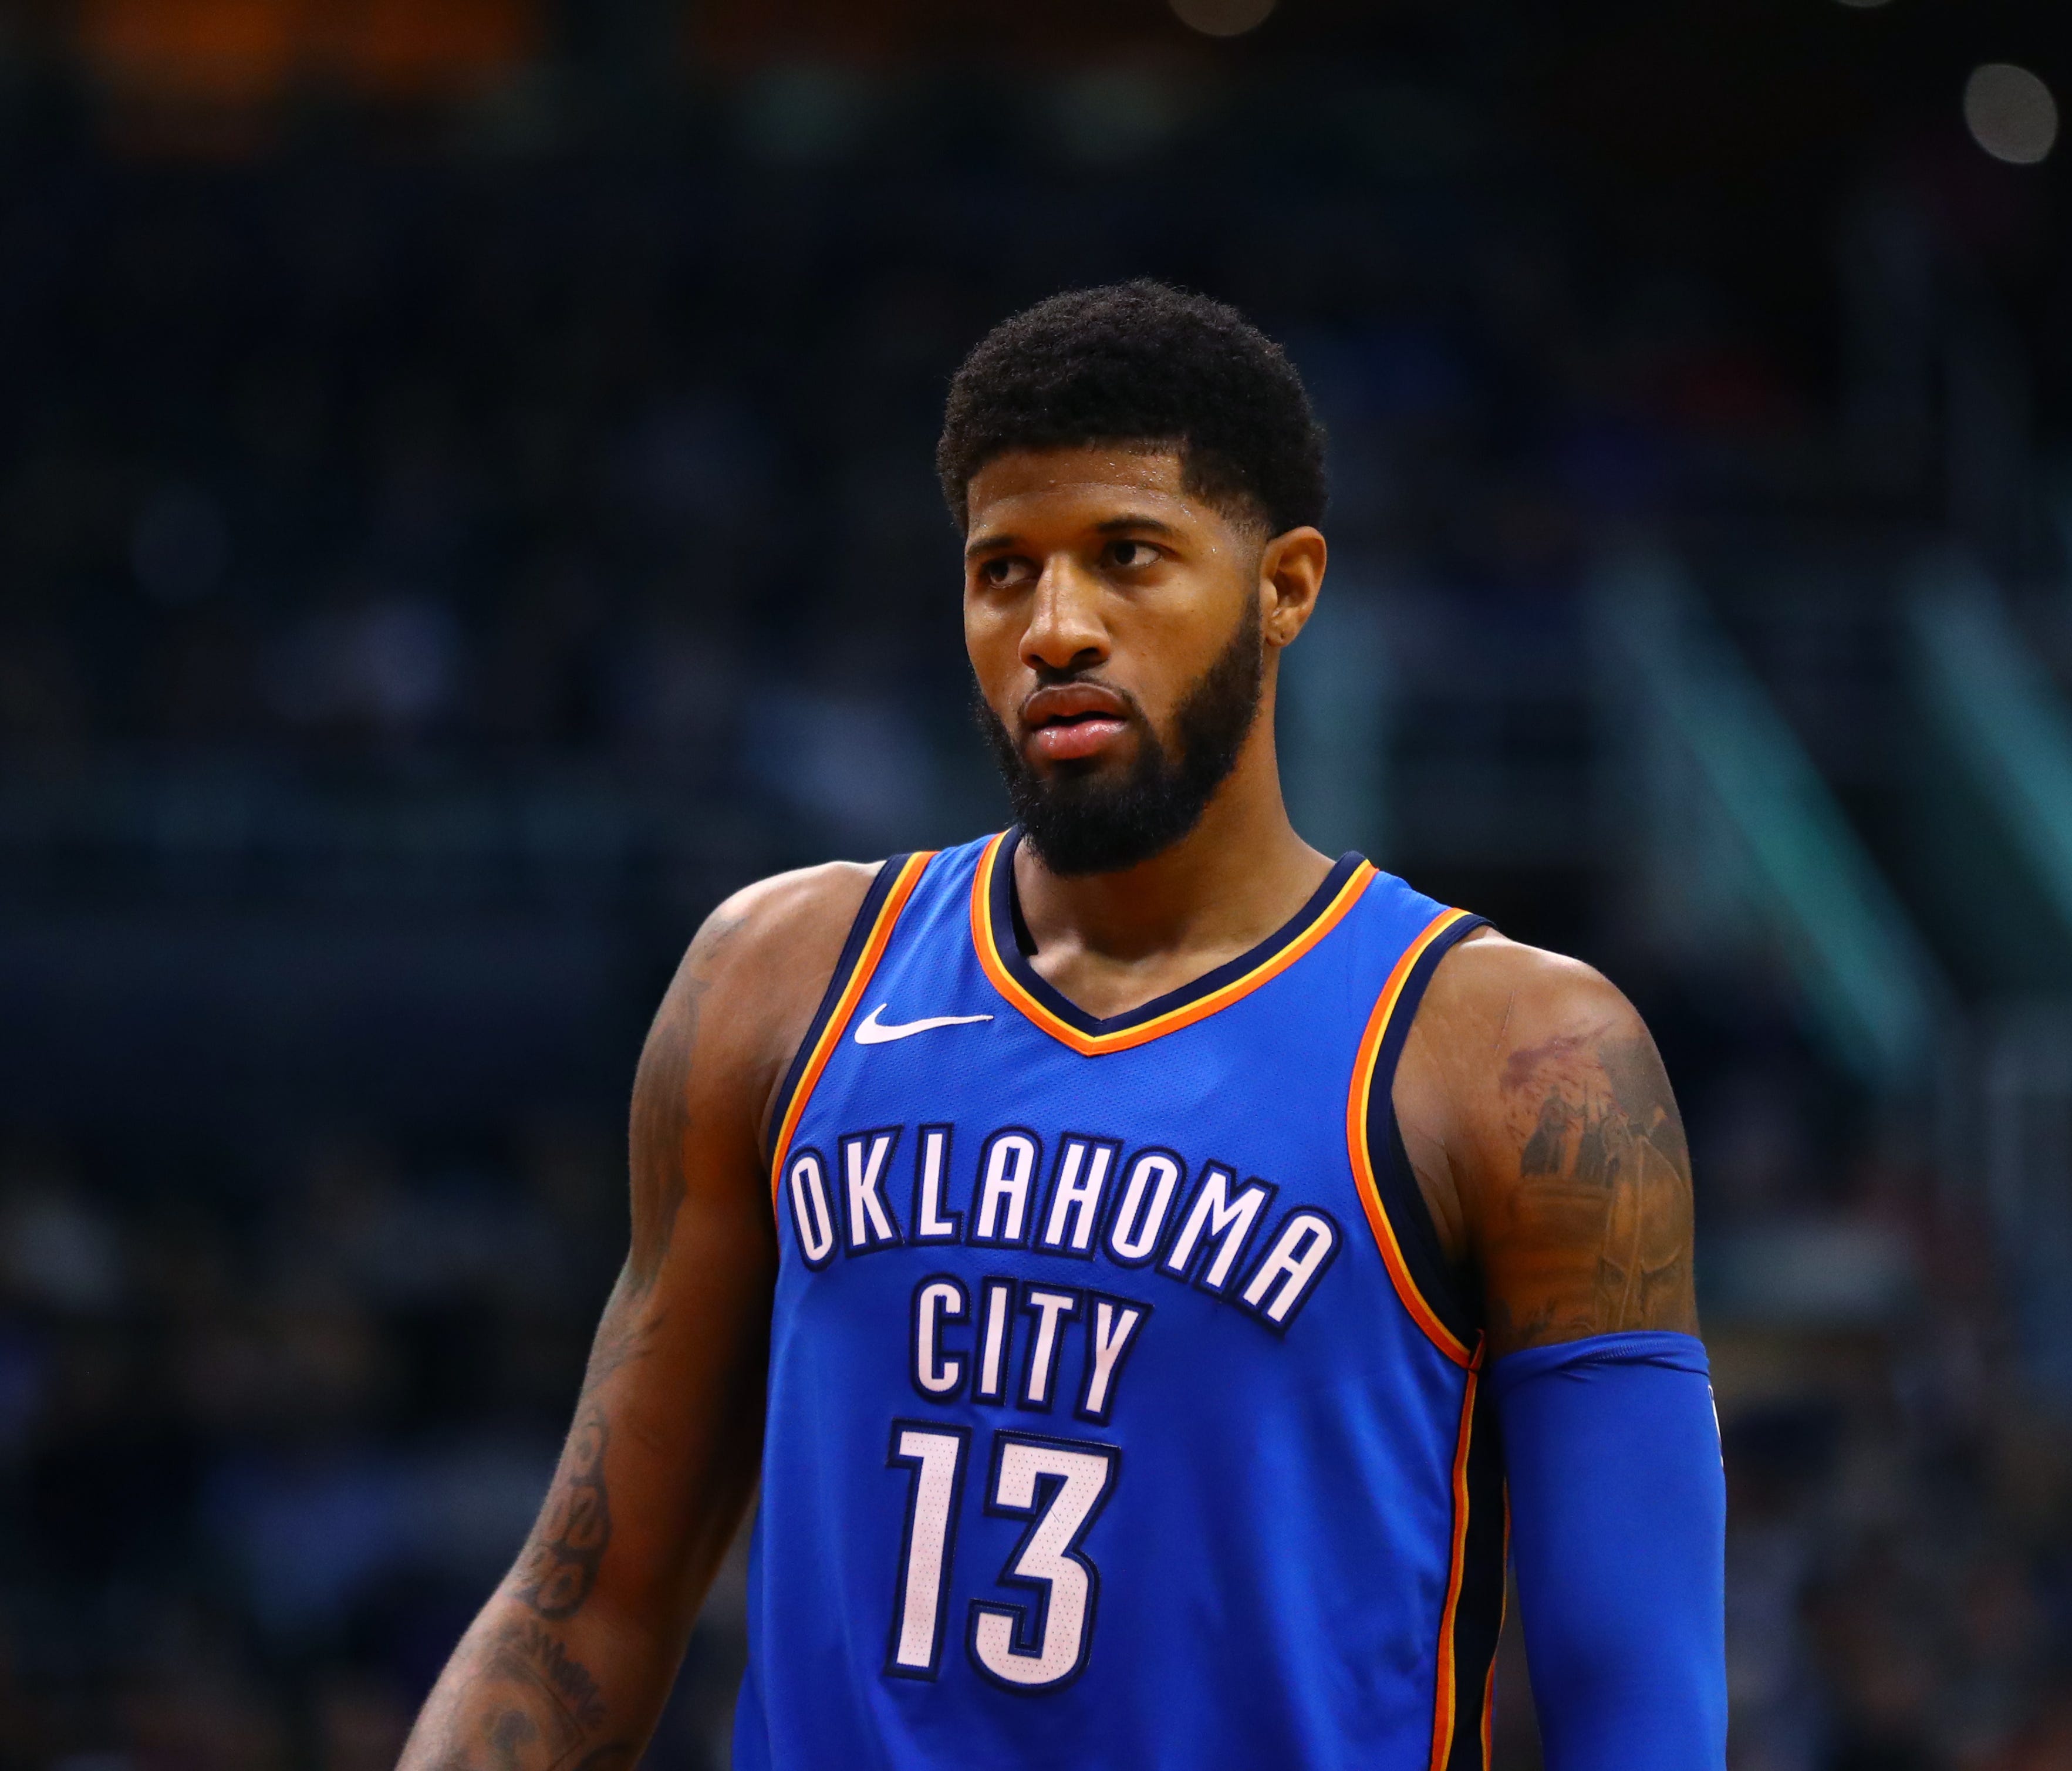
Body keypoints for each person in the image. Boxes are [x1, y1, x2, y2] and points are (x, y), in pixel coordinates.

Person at [399, 281, 1726, 1771]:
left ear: (1285, 586)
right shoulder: (777, 979)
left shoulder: (1515, 1055)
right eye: (1002, 571)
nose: (1054, 628)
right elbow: (585, 1605)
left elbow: (1640, 1709)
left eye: (1127, 557)